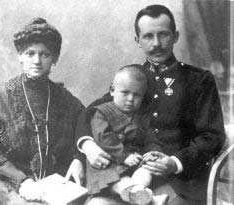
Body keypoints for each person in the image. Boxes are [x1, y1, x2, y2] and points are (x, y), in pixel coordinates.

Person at [77, 4, 226, 205]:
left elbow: (212, 135)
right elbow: (91, 113)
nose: (156, 43)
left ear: (176, 36)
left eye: (163, 35)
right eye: (148, 36)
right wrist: (88, 145)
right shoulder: (132, 79)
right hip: (128, 174)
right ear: (137, 40)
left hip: (180, 182)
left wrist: (175, 163)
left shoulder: (199, 80)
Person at [0, 17, 86, 204]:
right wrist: (23, 181)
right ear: (20, 56)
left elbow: (84, 133)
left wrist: (78, 159)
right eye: (30, 53)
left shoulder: (67, 100)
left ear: (54, 58)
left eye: (45, 54)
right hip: (11, 184)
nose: (37, 61)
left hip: (56, 185)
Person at [86, 64, 160, 205]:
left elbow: (150, 137)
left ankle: (140, 191)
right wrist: (124, 156)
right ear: (112, 91)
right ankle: (150, 200)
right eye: (125, 93)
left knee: (145, 171)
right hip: (108, 163)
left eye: (137, 95)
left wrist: (153, 152)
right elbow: (104, 137)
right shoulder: (102, 112)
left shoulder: (141, 117)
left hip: (133, 163)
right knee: (119, 181)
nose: (131, 99)